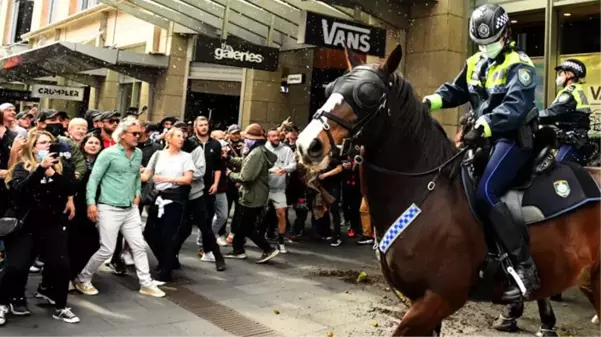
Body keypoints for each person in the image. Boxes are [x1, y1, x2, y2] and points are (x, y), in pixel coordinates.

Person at [422, 3, 539, 300]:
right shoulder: (475, 62)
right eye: (481, 43)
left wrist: (484, 124)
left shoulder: (520, 64)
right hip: (483, 140)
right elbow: (455, 90)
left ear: (506, 33)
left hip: (512, 139)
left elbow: (515, 107)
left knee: (485, 192)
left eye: (492, 41)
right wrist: (429, 102)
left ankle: (525, 268)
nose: (486, 48)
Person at [74, 118, 165, 298]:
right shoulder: (108, 154)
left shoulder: (138, 153)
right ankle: (83, 278)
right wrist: (91, 203)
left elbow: (136, 177)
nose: (139, 136)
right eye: (135, 133)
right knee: (106, 249)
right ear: (122, 135)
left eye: (140, 133)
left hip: (130, 208)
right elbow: (94, 179)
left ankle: (146, 284)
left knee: (138, 246)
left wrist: (137, 194)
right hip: (108, 207)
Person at [1, 130, 80, 324]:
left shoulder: (62, 167)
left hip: (51, 224)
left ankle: (61, 306)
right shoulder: (21, 167)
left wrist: (53, 174)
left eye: (49, 143)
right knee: (16, 266)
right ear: (32, 147)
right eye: (41, 143)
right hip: (25, 226)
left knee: (61, 265)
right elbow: (19, 192)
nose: (46, 146)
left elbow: (71, 188)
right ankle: (2, 302)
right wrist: (39, 170)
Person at [224, 123, 279, 263]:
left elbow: (246, 177)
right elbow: (245, 162)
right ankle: (238, 250)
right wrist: (229, 159)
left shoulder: (256, 153)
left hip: (252, 196)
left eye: (247, 137)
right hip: (255, 195)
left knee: (247, 227)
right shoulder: (258, 150)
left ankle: (267, 249)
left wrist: (230, 174)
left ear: (253, 139)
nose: (245, 140)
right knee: (242, 225)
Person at [539, 59, 592, 164]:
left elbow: (555, 112)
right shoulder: (573, 90)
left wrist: (534, 116)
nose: (558, 76)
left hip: (573, 141)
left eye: (560, 73)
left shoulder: (570, 92)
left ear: (568, 74)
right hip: (569, 139)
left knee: (556, 168)